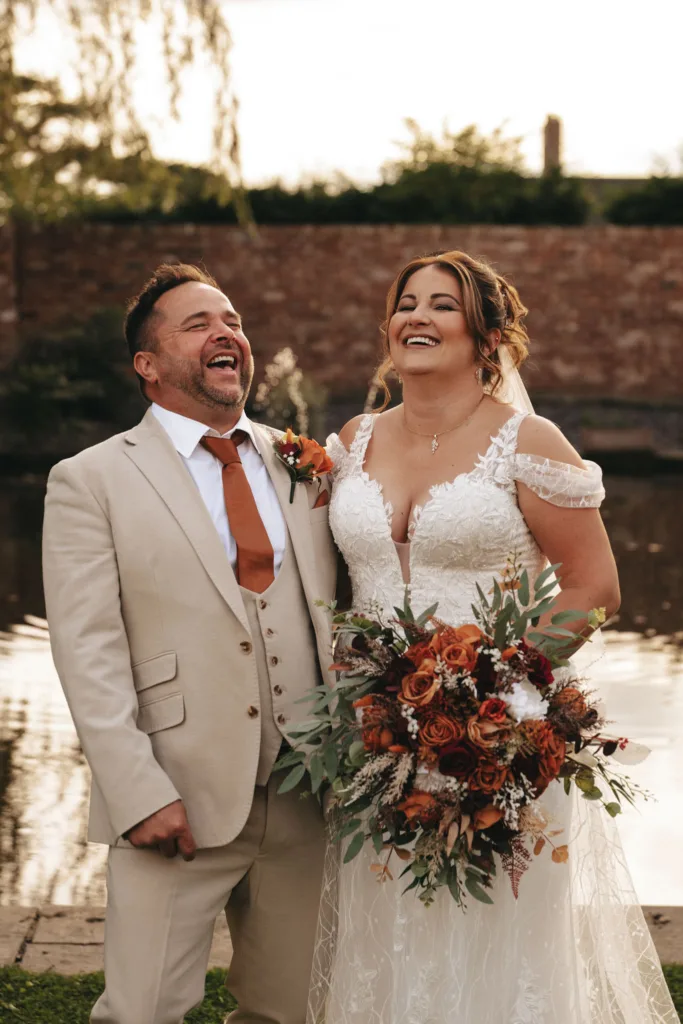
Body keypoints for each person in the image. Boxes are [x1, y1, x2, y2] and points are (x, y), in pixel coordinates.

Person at [312, 250, 678, 1023]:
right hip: (373, 737)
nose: (417, 316)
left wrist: (492, 692)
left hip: (496, 738)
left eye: (441, 305)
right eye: (405, 302)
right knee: (388, 936)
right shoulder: (352, 440)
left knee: (496, 943)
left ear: (486, 339)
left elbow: (593, 589)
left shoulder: (527, 442)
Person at [42, 263, 337, 1024]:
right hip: (175, 792)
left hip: (308, 792)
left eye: (232, 320)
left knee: (292, 1011)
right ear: (148, 363)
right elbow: (87, 651)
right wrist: (138, 791)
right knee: (142, 1010)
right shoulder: (90, 479)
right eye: (198, 324)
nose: (225, 333)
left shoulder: (302, 463)